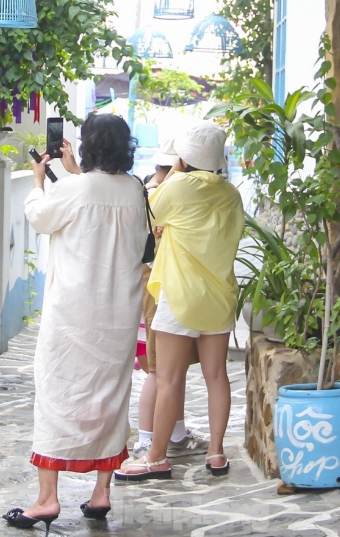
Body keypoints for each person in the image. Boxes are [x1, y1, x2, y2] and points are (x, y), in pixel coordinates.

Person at [4, 113, 147, 531]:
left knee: (57, 394)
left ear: (86, 146)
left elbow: (41, 217)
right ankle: (101, 493)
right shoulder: (136, 190)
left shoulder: (76, 188)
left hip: (73, 316)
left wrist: (36, 180)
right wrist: (70, 175)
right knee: (110, 395)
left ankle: (47, 498)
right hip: (119, 314)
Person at [116, 121, 244, 480]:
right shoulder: (231, 194)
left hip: (179, 295)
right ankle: (216, 453)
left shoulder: (180, 186)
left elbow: (146, 210)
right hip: (219, 298)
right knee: (217, 376)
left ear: (185, 157)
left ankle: (156, 457)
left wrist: (174, 170)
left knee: (169, 379)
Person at [132, 136, 205, 460]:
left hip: (170, 286)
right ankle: (147, 438)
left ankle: (174, 431)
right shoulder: (154, 196)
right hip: (157, 285)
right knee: (159, 371)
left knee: (172, 371)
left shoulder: (169, 194)